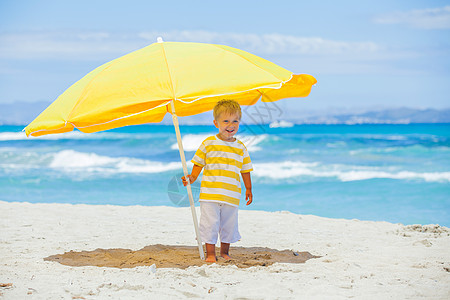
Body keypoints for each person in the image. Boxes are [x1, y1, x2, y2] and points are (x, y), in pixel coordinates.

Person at [182, 99, 253, 262]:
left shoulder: (241, 147)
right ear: (216, 123)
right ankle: (211, 254)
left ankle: (225, 252)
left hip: (231, 194)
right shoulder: (208, 143)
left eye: (235, 120)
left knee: (229, 225)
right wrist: (191, 178)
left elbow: (245, 170)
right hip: (210, 194)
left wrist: (248, 189)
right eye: (226, 121)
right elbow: (198, 164)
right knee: (210, 224)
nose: (231, 124)